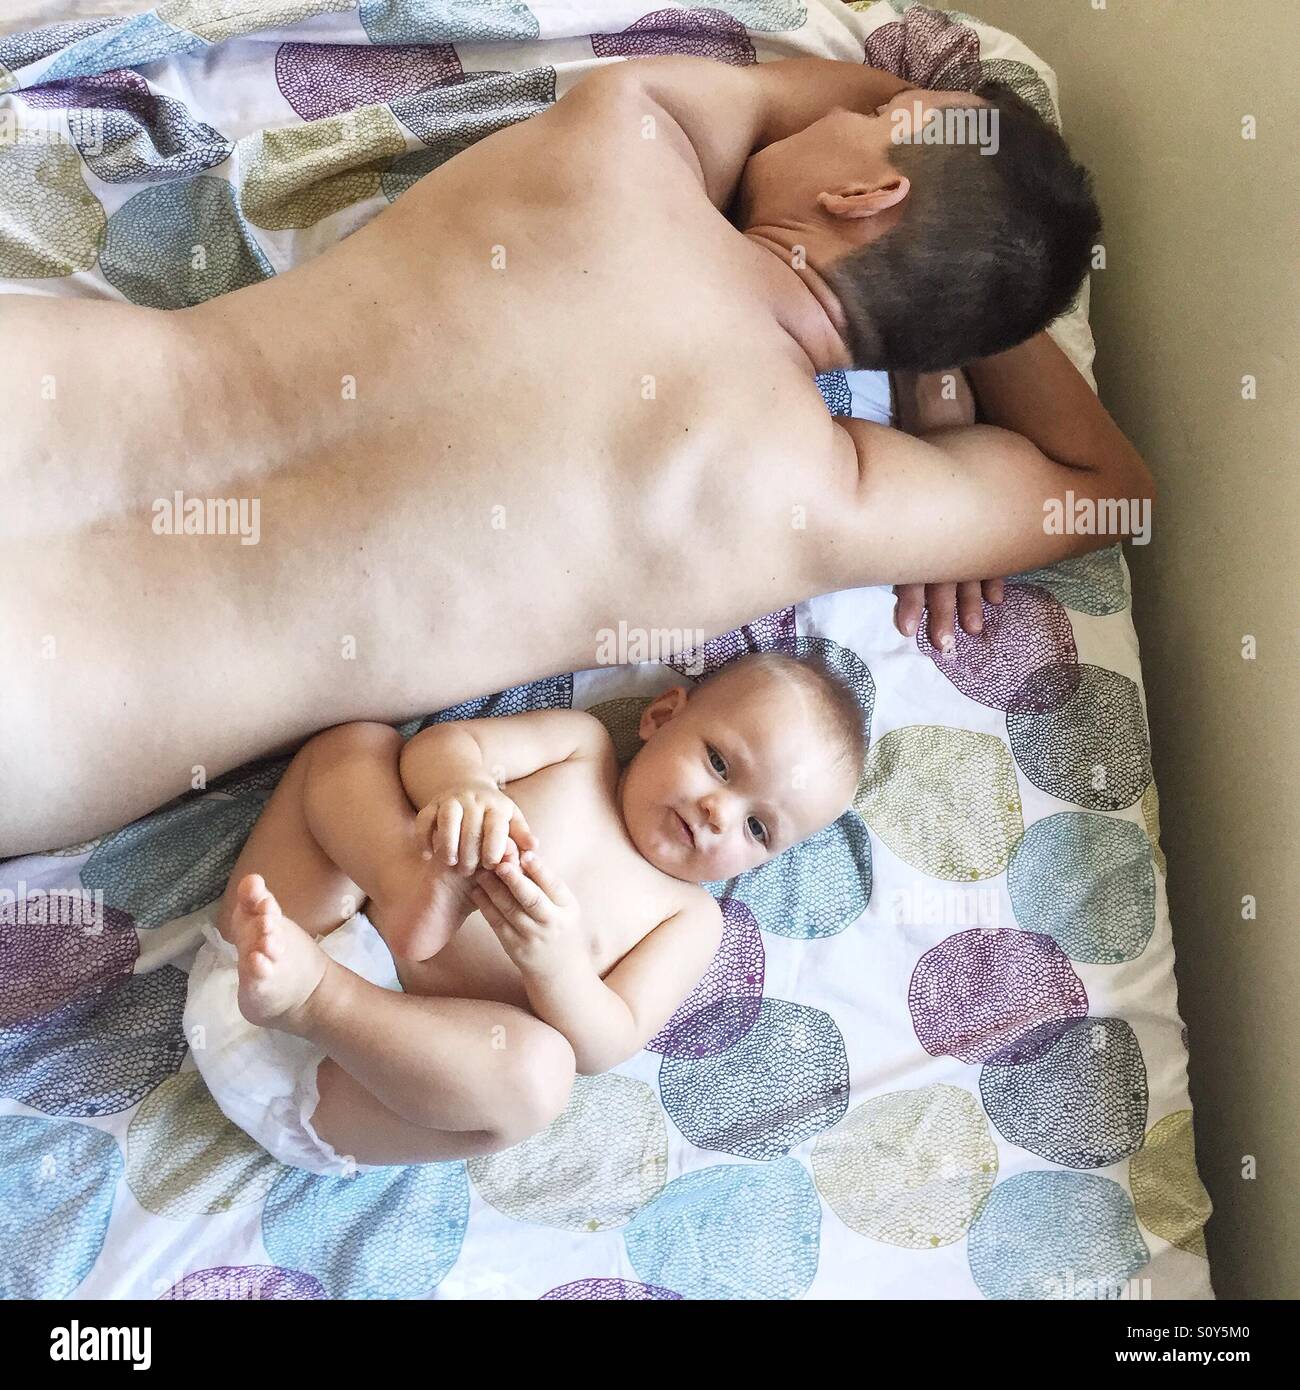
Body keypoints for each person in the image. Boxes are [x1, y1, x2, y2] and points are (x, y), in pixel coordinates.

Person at [0, 56, 1152, 855]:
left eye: (870, 131)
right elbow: (1108, 489)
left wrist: (932, 160)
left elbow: (859, 86)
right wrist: (951, 332)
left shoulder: (631, 130)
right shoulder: (811, 494)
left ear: (865, 188)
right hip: (70, 710)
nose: (844, 112)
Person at [183, 650, 866, 1171]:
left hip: (347, 1085)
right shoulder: (580, 746)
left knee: (540, 1076)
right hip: (281, 934)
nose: (721, 814)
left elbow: (609, 1040)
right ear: (661, 717)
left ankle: (320, 999)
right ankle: (402, 883)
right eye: (719, 764)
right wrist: (466, 787)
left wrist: (558, 967)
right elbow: (442, 749)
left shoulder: (688, 919)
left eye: (758, 829)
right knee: (355, 747)